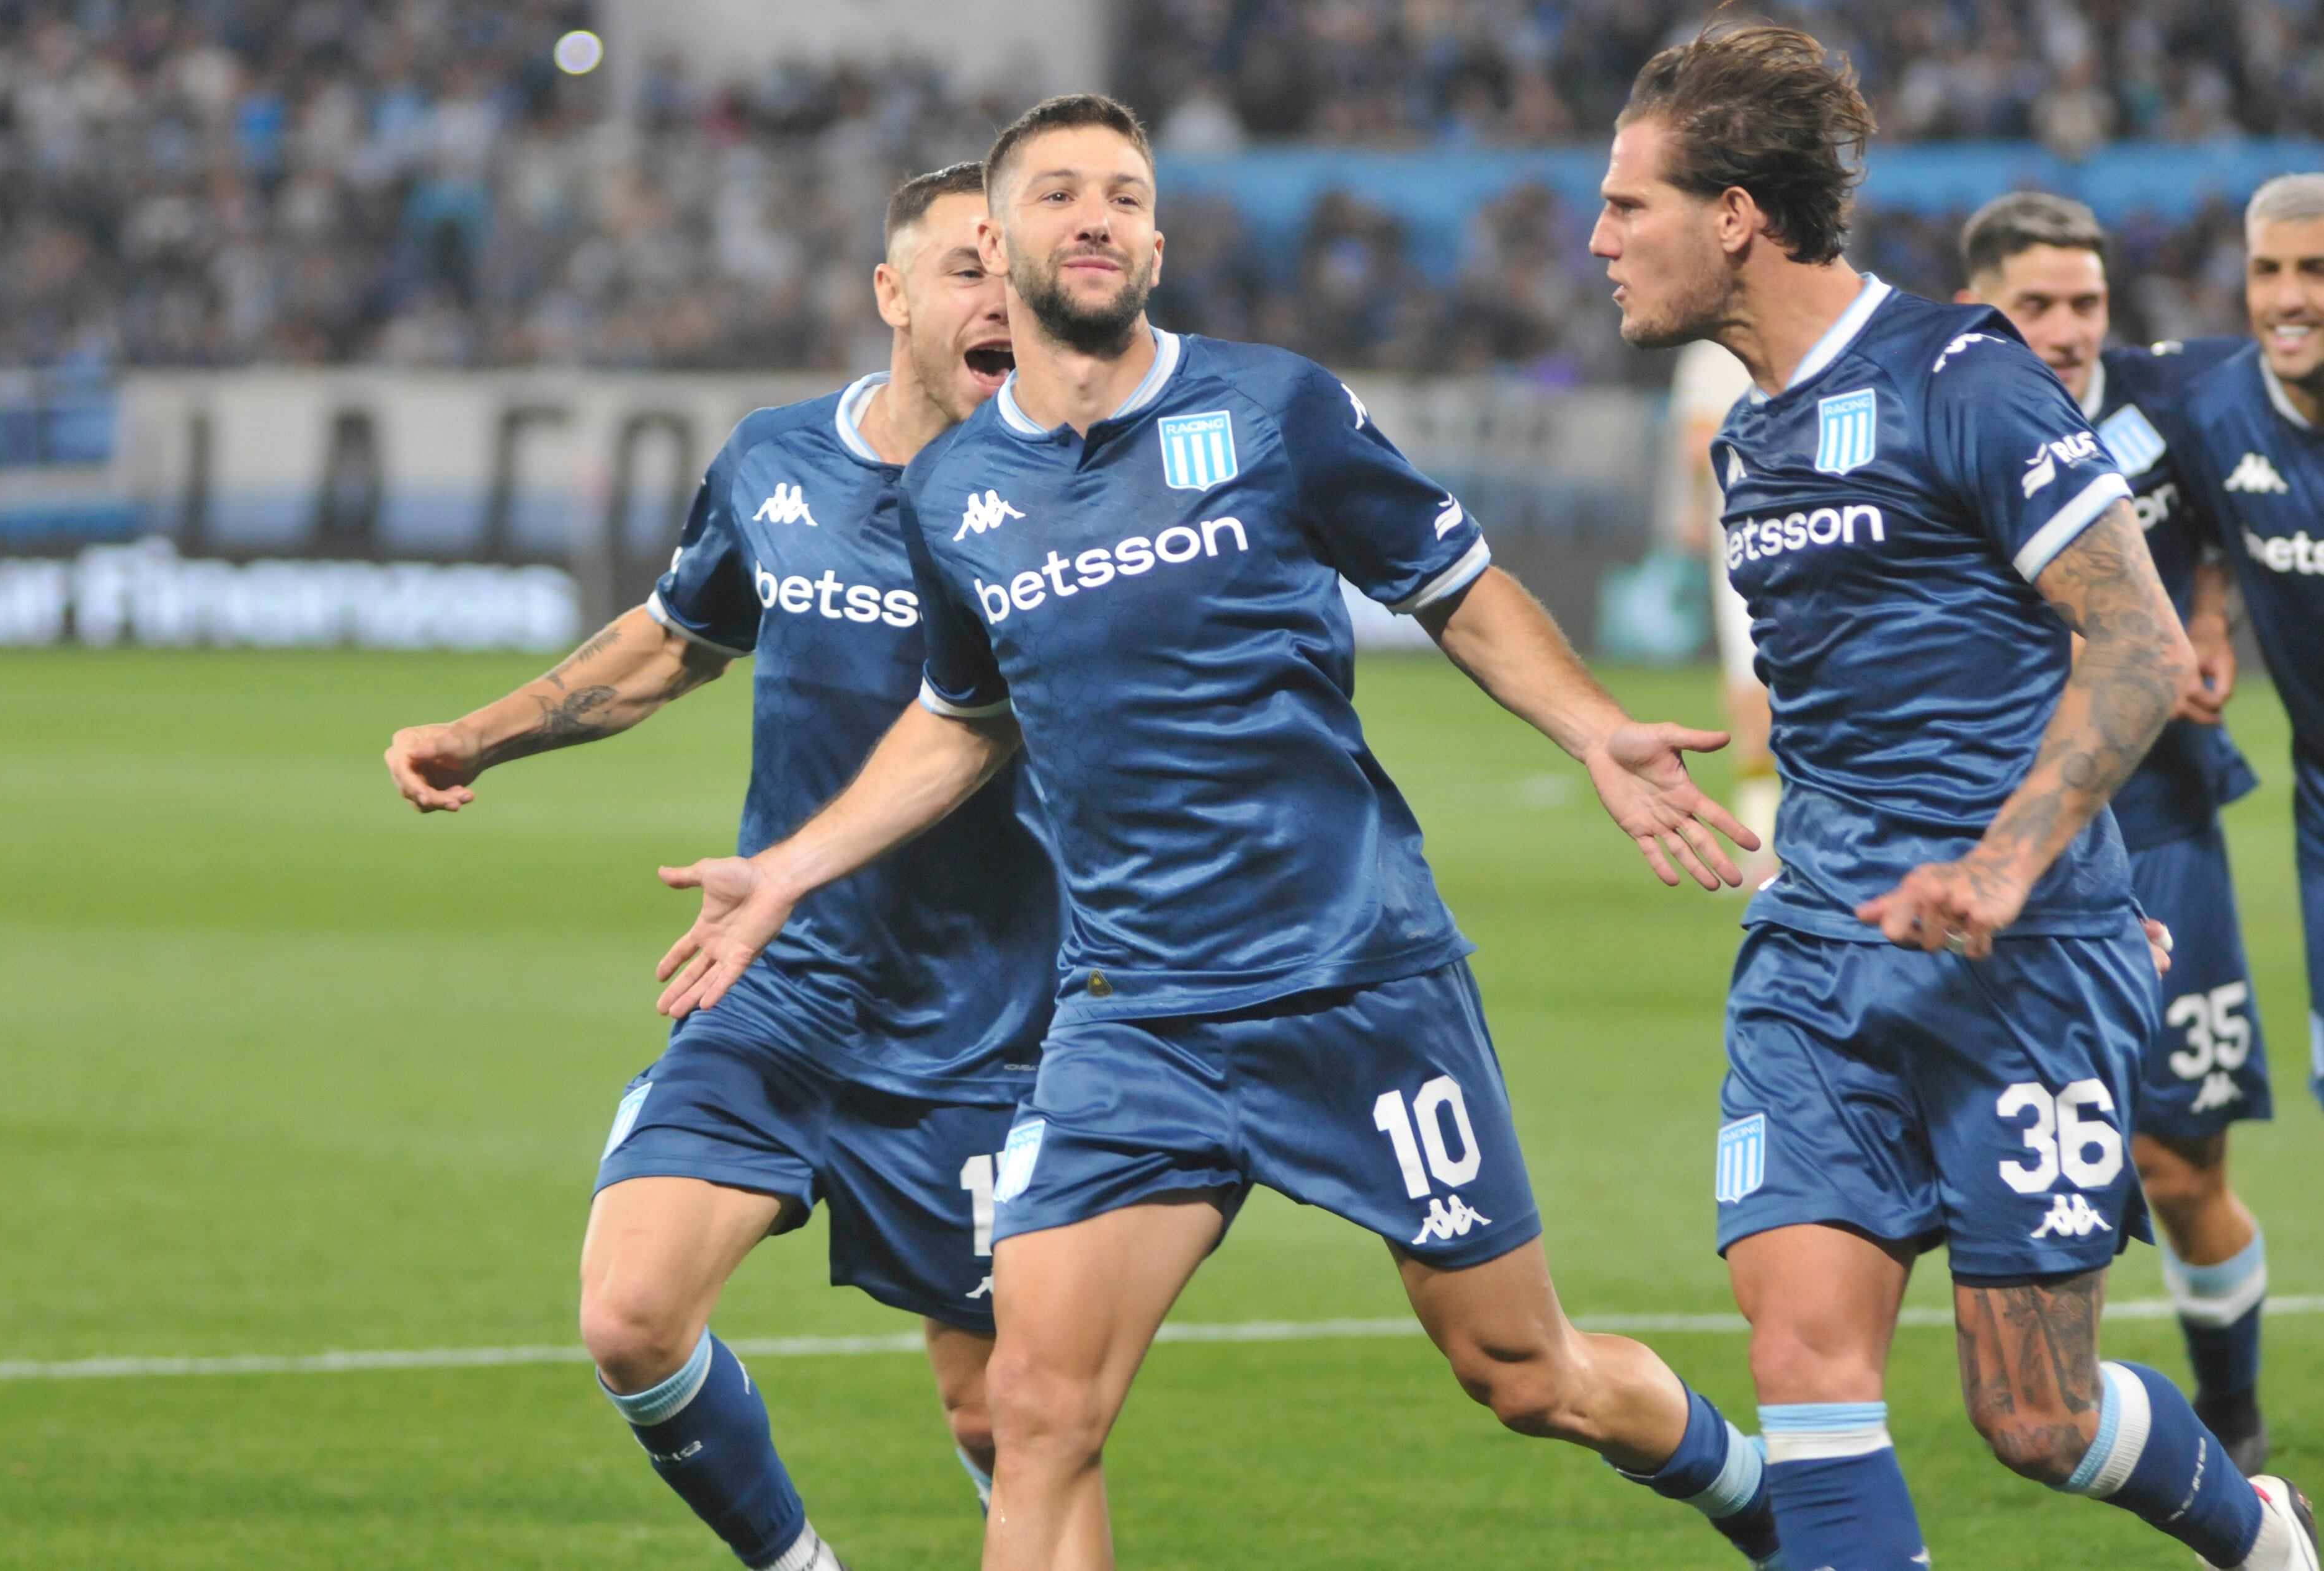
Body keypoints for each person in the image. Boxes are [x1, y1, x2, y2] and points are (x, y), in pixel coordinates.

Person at [650, 93, 1787, 1571]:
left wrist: (1595, 733)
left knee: (1525, 1374)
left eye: (1124, 194)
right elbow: (961, 714)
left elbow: (1455, 585)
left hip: (1356, 983)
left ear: (1159, 238)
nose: (1097, 217)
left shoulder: (1274, 409)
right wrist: (790, 869)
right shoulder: (956, 493)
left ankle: (1767, 1503)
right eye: (1060, 193)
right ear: (998, 243)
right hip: (1133, 1018)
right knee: (1038, 1411)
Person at [1589, 24, 2316, 1571]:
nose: (1597, 242)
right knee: (1801, 1363)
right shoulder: (1756, 436)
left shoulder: (1960, 375)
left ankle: (2260, 1536)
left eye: (1627, 206)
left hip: (2018, 960)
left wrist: (2017, 871)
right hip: (1819, 955)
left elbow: (2132, 645)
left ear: (1733, 215)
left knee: (2033, 1418)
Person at [382, 164, 1061, 1571]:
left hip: (994, 1021)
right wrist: (478, 735)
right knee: (630, 1316)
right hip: (781, 976)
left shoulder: (1067, 503)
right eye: (967, 270)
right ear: (892, 294)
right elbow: (676, 635)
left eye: (1025, 275)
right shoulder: (774, 465)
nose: (1004, 299)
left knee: (1004, 1417)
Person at [1956, 190, 2277, 1474]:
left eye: (2083, 302)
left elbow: (2234, 517)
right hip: (2007, 843)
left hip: (2158, 820)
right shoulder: (1945, 410)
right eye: (2034, 305)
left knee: (2180, 1161)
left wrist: (2209, 613)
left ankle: (2233, 1416)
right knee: (2000, 1144)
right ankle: (2031, 1397)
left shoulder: (2169, 402)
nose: (2067, 329)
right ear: (1980, 307)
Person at [2170, 172, 2324, 1123]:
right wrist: (2210, 605)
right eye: (2268, 271)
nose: (2289, 297)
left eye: (2315, 270)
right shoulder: (2214, 407)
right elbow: (2192, 514)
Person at [1665, 338, 1780, 880]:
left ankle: (1761, 845)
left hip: (1745, 532)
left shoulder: (1713, 356)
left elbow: (1697, 446)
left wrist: (1691, 507)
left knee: (1749, 688)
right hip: (1828, 528)